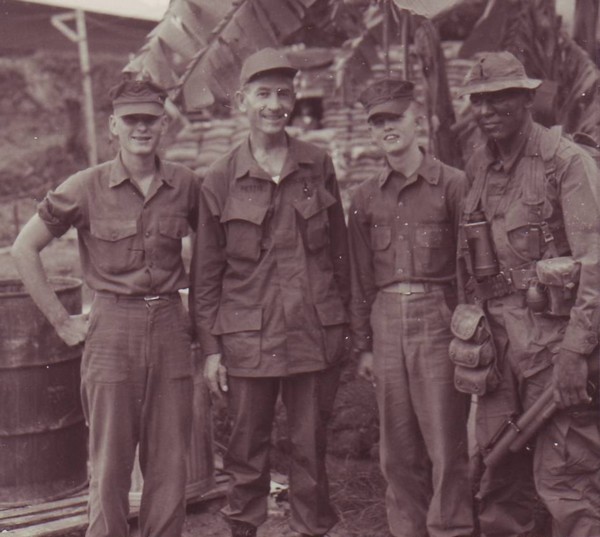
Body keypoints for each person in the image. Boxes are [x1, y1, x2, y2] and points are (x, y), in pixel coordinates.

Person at [11, 79, 198, 537]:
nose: (141, 128)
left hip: (172, 326)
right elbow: (23, 248)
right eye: (131, 119)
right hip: (113, 327)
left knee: (171, 462)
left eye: (150, 119)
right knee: (110, 463)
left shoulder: (186, 185)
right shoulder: (85, 186)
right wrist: (61, 321)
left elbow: (209, 261)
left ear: (164, 124)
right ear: (114, 125)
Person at [192, 47, 350, 537]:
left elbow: (340, 256)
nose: (274, 104)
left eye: (284, 92)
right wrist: (212, 350)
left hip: (311, 334)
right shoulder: (219, 178)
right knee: (246, 451)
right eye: (263, 93)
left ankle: (310, 529)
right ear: (242, 100)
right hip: (246, 341)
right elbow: (206, 274)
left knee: (310, 449)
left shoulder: (317, 164)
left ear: (295, 98)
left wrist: (348, 330)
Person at [456, 51, 600, 536]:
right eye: (479, 101)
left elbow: (596, 264)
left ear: (527, 99)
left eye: (499, 99)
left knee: (569, 484)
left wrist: (577, 352)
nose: (487, 110)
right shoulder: (481, 168)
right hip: (497, 353)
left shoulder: (567, 163)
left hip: (554, 350)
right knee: (500, 480)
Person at [348, 78, 474, 537]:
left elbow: (469, 269)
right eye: (377, 121)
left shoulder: (453, 185)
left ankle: (451, 530)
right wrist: (363, 346)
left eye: (394, 118)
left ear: (416, 120)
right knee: (396, 450)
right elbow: (360, 278)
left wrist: (467, 333)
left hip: (437, 319)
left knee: (446, 443)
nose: (387, 128)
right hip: (385, 322)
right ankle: (409, 530)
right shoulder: (364, 197)